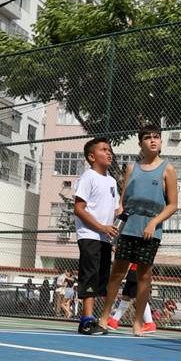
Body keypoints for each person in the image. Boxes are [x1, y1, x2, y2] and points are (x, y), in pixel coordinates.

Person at [98, 122, 178, 335]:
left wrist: (153, 222)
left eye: (156, 137)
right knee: (117, 273)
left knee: (144, 276)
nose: (153, 140)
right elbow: (123, 201)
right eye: (148, 137)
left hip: (151, 230)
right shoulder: (131, 168)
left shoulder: (168, 169)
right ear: (140, 143)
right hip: (128, 228)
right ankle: (104, 317)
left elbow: (172, 205)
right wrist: (117, 215)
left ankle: (138, 322)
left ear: (160, 142)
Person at [73, 136, 120, 335]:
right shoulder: (88, 177)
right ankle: (86, 320)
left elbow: (117, 210)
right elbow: (79, 208)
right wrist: (102, 227)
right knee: (90, 276)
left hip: (105, 238)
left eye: (110, 150)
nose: (109, 153)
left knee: (101, 279)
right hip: (89, 235)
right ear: (92, 157)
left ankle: (95, 319)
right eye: (103, 150)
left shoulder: (112, 181)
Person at [105, 265, 156, 332]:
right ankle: (114, 321)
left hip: (137, 271)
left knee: (139, 297)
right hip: (133, 271)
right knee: (126, 296)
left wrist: (125, 270)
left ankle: (149, 323)